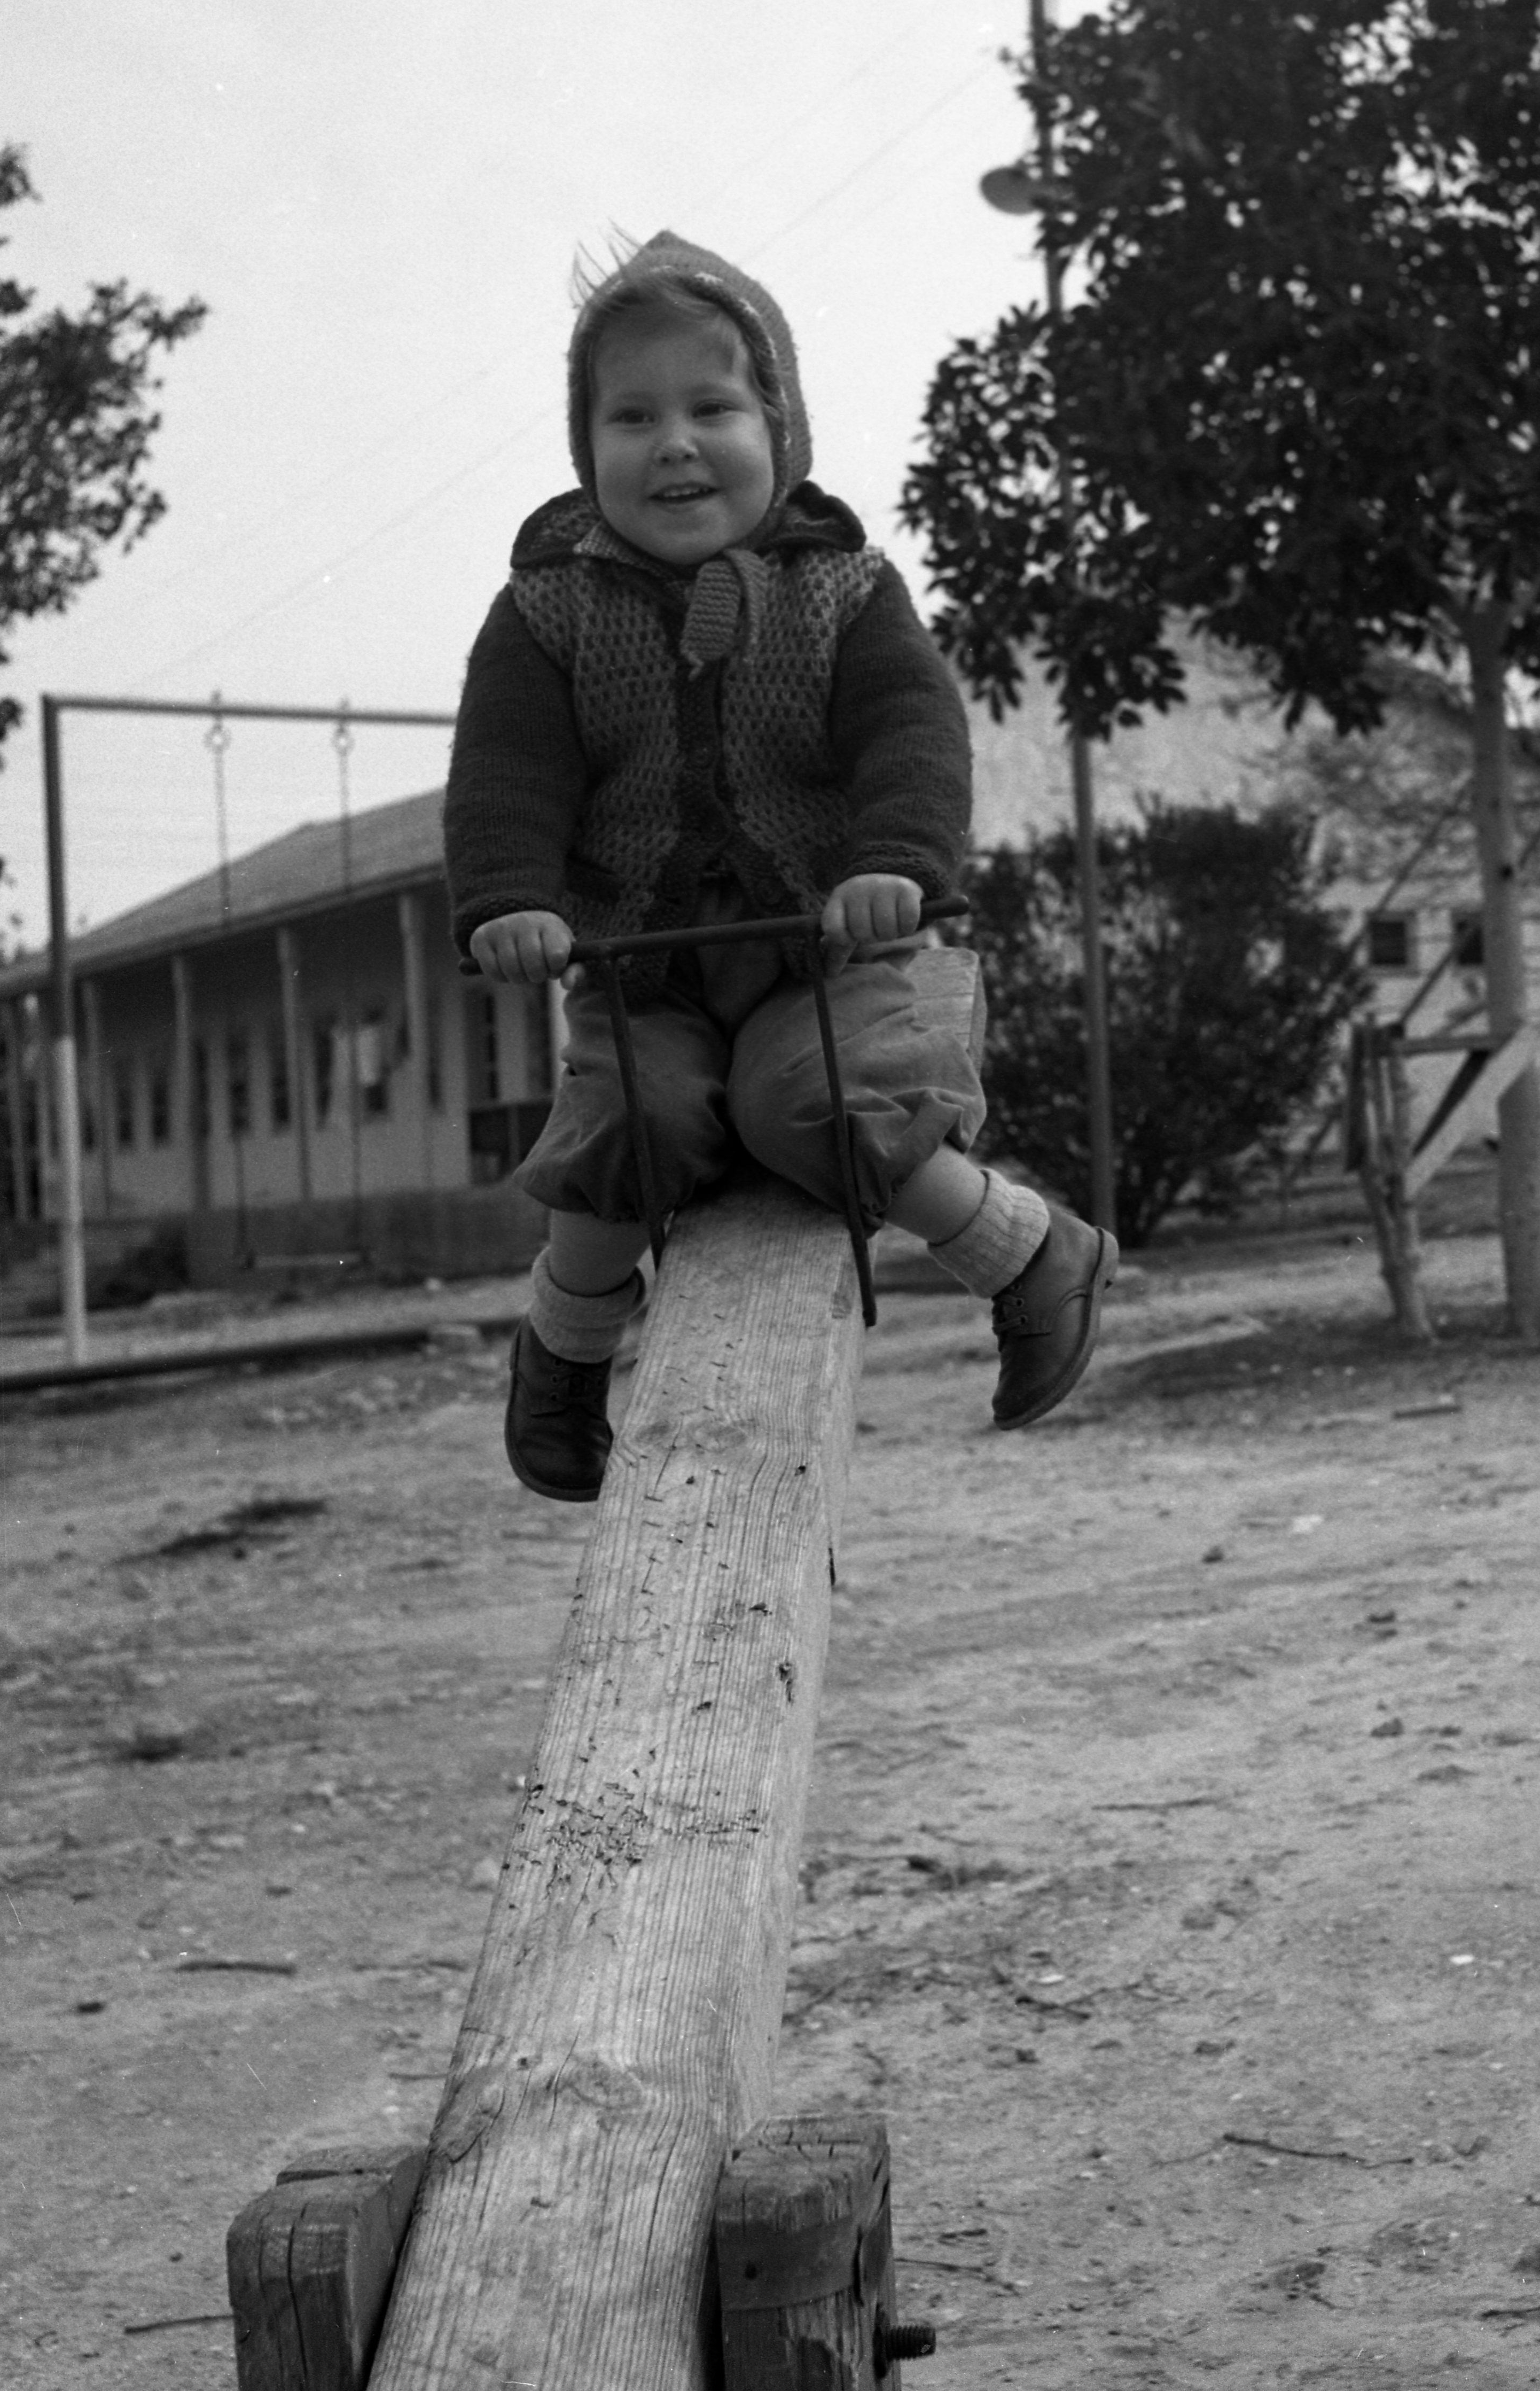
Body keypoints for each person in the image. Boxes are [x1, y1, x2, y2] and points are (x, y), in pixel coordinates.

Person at [443, 230, 1116, 1501]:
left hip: (829, 946)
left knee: (813, 1103)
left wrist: (894, 862)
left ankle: (1030, 1251)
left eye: (713, 407)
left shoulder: (845, 589)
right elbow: (504, 777)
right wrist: (510, 901)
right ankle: (565, 1354)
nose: (675, 443)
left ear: (782, 425)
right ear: (587, 449)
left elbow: (909, 736)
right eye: (630, 415)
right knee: (623, 1128)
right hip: (645, 965)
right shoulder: (545, 611)